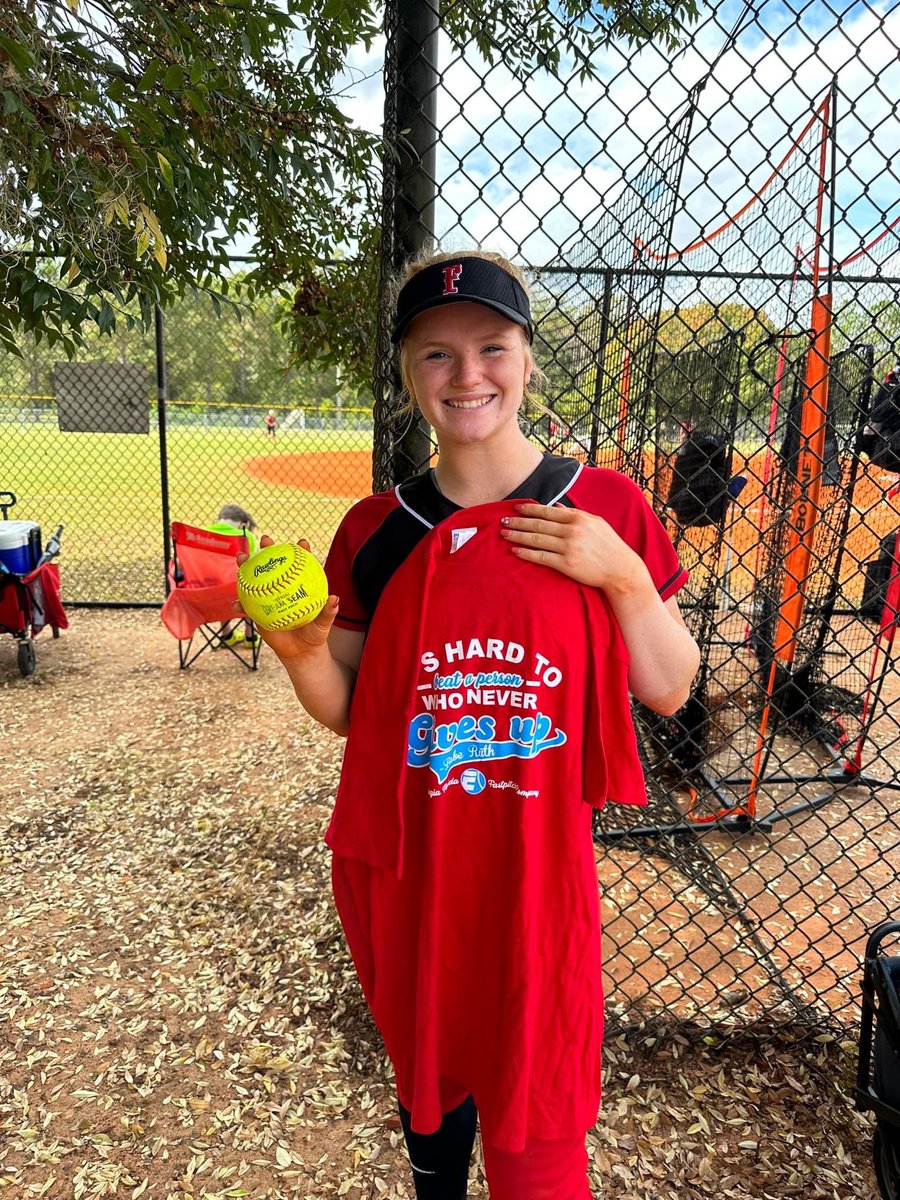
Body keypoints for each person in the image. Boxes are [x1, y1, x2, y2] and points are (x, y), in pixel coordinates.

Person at [237, 250, 700, 1200]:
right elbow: (356, 717)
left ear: (527, 358)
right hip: (414, 865)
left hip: (537, 870)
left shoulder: (605, 505)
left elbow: (669, 687)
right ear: (409, 375)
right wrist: (298, 656)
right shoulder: (380, 527)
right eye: (436, 355)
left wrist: (617, 573)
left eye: (491, 347)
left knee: (537, 1119)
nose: (467, 375)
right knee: (435, 1089)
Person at [207, 504, 260, 649]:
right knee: (247, 583)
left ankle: (226, 635)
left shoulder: (199, 534)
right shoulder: (244, 536)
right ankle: (250, 636)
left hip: (205, 595)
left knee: (217, 580)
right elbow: (249, 566)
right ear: (244, 524)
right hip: (237, 594)